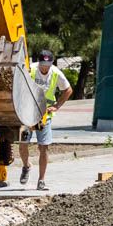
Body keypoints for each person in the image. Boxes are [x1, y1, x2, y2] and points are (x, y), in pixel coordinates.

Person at [19, 49, 72, 190]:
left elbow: (68, 90)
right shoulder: (31, 69)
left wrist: (57, 106)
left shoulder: (55, 73)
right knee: (23, 142)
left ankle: (41, 180)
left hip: (44, 116)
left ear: (51, 63)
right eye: (42, 64)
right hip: (27, 114)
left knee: (44, 146)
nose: (44, 67)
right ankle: (26, 166)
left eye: (47, 65)